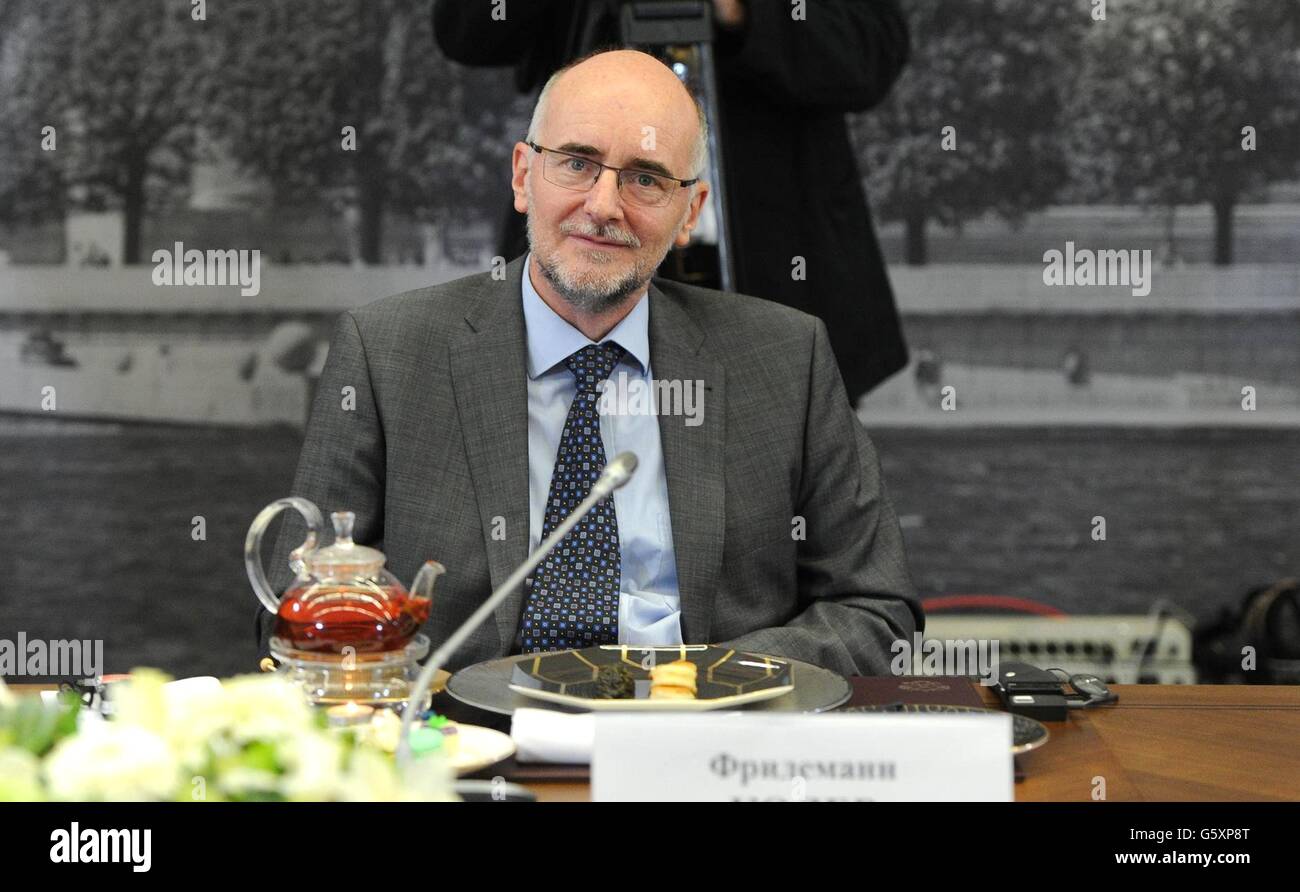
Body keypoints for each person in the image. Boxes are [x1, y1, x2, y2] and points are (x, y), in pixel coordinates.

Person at [256, 49, 920, 677]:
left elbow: (875, 612)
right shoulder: (387, 351)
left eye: (646, 179)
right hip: (466, 753)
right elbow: (290, 612)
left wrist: (711, 684)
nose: (603, 206)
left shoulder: (786, 358)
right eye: (576, 163)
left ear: (690, 211)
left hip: (699, 749)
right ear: (522, 176)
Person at [432, 0, 911, 403]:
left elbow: (870, 53)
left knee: (773, 490)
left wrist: (740, 11)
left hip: (775, 258)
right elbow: (467, 30)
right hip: (578, 261)